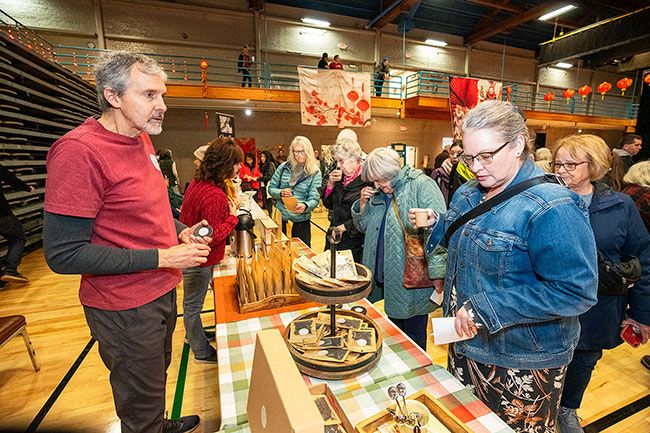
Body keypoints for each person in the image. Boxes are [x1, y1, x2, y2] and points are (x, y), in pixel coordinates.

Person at [43, 51, 210, 433]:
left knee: (153, 379)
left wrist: (178, 227)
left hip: (161, 290)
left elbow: (143, 211)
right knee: (138, 398)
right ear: (113, 97)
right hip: (125, 306)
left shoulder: (140, 139)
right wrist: (163, 256)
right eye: (149, 95)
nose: (162, 106)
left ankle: (157, 421)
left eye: (162, 96)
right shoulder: (79, 151)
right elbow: (64, 254)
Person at [416, 101, 598, 432]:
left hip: (521, 361)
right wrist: (437, 224)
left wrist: (486, 308)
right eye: (469, 158)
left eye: (486, 156)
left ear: (517, 145)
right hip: (465, 343)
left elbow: (576, 292)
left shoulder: (553, 206)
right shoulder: (470, 192)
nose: (476, 167)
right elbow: (466, 232)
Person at [552, 135, 650, 433]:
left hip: (599, 305)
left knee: (584, 361)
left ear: (594, 166)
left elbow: (644, 258)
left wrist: (641, 314)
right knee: (547, 361)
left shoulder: (620, 205)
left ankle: (568, 410)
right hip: (552, 302)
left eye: (571, 163)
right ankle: (541, 408)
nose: (562, 170)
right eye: (558, 163)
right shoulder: (546, 199)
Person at [351, 148, 446, 349]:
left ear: (390, 171)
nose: (376, 185)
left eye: (379, 180)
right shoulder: (380, 193)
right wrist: (362, 205)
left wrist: (439, 276)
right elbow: (364, 227)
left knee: (412, 339)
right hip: (382, 273)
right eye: (373, 181)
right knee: (391, 333)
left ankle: (416, 377)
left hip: (411, 278)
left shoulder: (421, 185)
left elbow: (440, 233)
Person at [180, 138, 241, 364]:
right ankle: (201, 351)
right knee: (193, 306)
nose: (238, 168)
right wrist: (233, 217)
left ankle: (193, 335)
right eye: (235, 163)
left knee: (191, 304)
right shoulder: (213, 195)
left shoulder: (198, 183)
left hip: (192, 254)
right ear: (225, 164)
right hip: (199, 258)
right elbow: (212, 237)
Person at [322, 138, 370, 263]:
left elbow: (368, 215)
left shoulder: (367, 181)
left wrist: (344, 227)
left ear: (354, 160)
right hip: (334, 234)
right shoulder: (340, 177)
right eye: (337, 161)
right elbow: (328, 205)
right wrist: (330, 185)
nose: (338, 165)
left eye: (341, 161)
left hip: (354, 239)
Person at [268, 136, 322, 246]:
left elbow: (314, 198)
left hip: (301, 222)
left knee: (301, 254)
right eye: (296, 152)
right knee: (280, 252)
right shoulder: (283, 167)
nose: (299, 155)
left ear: (309, 152)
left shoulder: (315, 172)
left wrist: (305, 205)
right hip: (281, 219)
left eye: (302, 151)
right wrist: (280, 193)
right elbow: (271, 189)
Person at [0, 163, 34, 285]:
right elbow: (8, 177)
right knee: (18, 237)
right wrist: (26, 187)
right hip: (2, 213)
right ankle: (10, 270)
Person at [430, 141, 463, 205]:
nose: (455, 156)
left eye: (459, 153)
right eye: (452, 153)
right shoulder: (438, 173)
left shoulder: (470, 173)